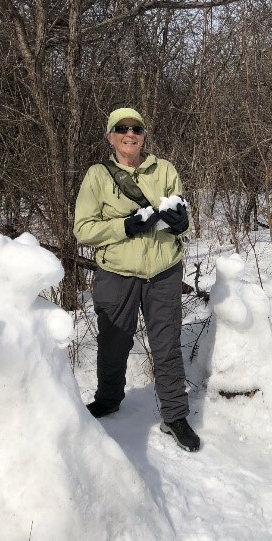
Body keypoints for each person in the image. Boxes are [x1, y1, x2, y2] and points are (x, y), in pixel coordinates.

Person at [73, 107, 200, 452]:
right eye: (122, 128)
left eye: (137, 129)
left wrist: (180, 221)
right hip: (117, 274)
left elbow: (181, 211)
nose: (130, 134)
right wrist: (124, 227)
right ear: (110, 136)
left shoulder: (165, 170)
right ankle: (109, 399)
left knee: (166, 345)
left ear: (144, 135)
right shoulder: (98, 176)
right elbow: (83, 229)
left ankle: (175, 416)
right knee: (114, 343)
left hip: (164, 272)